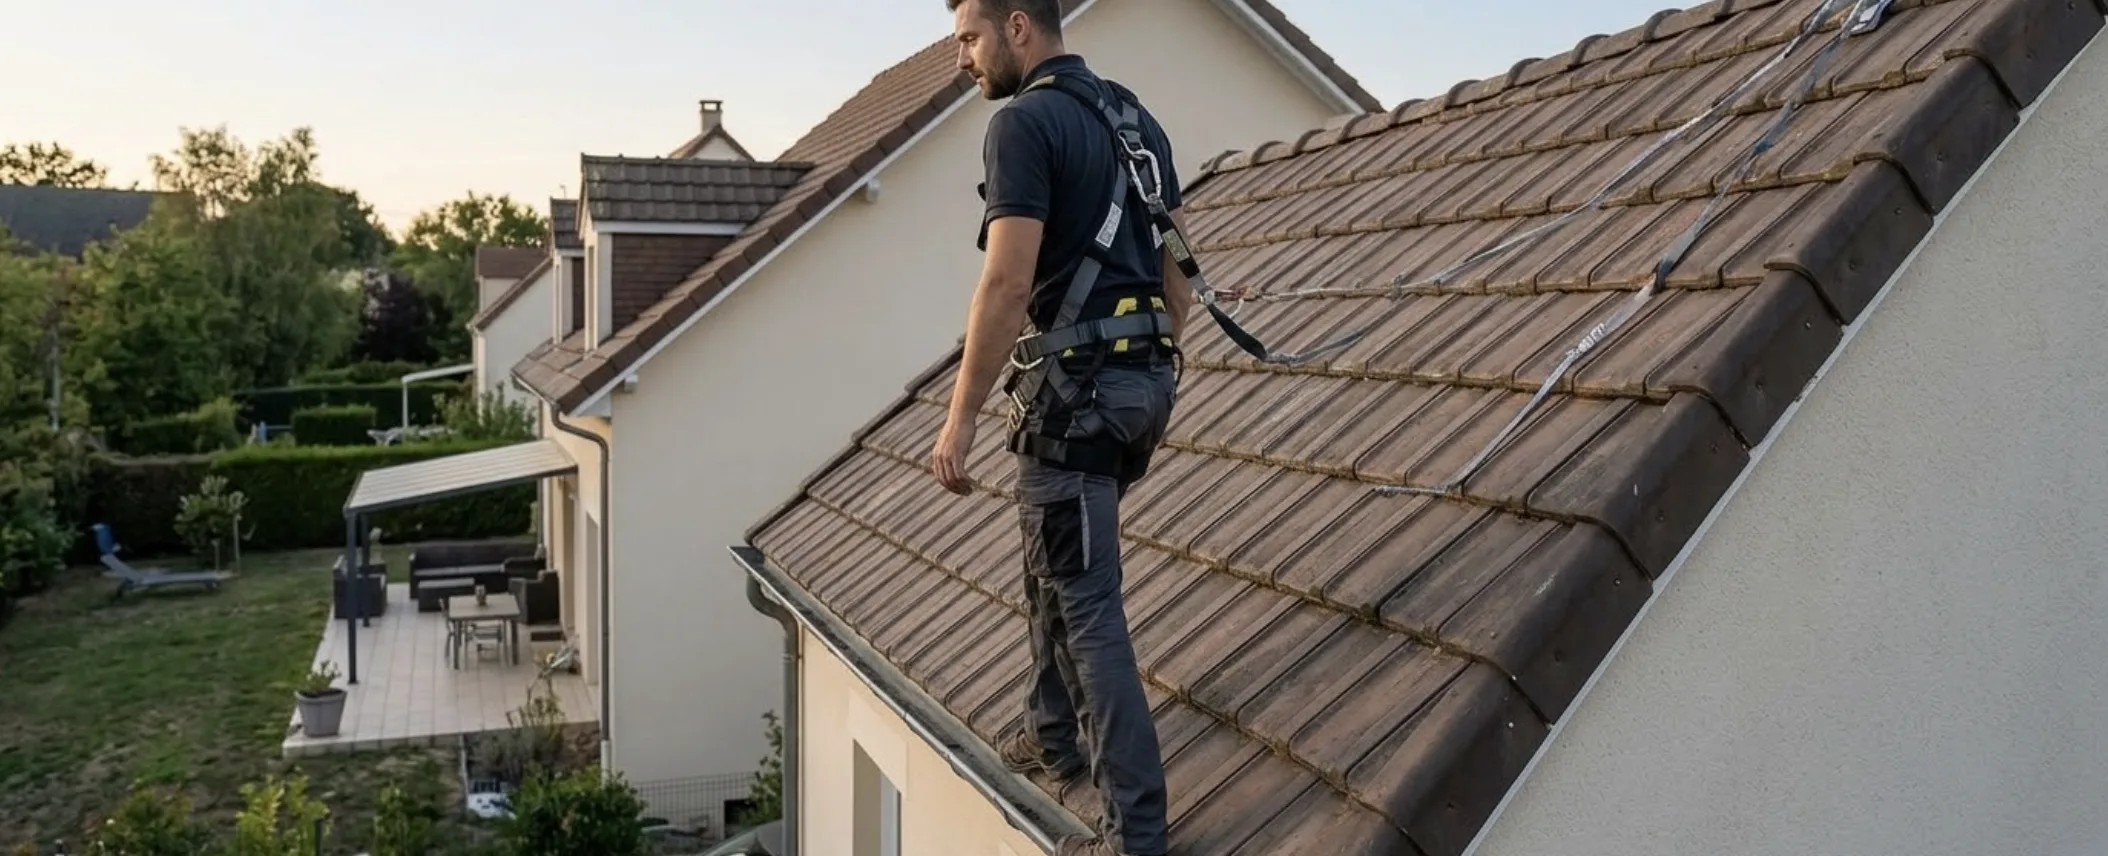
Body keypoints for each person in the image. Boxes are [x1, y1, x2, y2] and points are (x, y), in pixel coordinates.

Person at [930, 2, 1195, 854]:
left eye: (968, 39)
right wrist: (1148, 372)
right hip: (1139, 393)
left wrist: (961, 418)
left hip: (1078, 403)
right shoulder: (1135, 119)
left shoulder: (1023, 126)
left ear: (1017, 27)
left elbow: (1007, 285)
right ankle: (1051, 735)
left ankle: (1136, 835)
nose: (961, 59)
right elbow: (1178, 272)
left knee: (1088, 607)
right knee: (1057, 552)